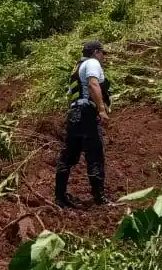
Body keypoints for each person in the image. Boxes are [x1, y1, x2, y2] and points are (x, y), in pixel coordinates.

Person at [55, 40, 112, 208]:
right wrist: (101, 109)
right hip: (87, 113)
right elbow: (93, 84)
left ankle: (60, 197)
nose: (103, 57)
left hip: (74, 113)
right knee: (95, 155)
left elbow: (70, 95)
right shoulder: (93, 63)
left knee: (68, 157)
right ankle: (100, 199)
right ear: (96, 52)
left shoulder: (77, 68)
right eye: (102, 53)